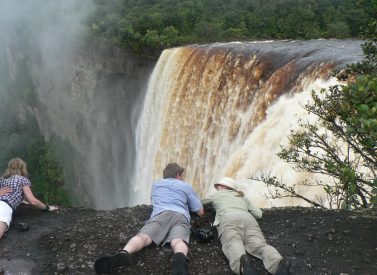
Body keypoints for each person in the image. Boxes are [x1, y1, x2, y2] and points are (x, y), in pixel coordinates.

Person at [94, 163, 204, 274]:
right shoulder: (186, 186)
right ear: (178, 175)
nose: (182, 178)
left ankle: (124, 253)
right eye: (182, 176)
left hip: (161, 213)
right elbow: (200, 212)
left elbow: (154, 202)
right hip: (180, 215)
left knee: (143, 237)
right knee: (178, 241)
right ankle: (179, 264)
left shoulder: (156, 185)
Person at [201, 177, 290, 275]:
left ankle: (243, 267)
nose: (217, 188)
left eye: (218, 186)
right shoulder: (242, 197)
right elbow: (258, 214)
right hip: (249, 219)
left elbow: (198, 204)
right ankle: (278, 264)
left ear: (223, 186)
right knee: (260, 245)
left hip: (229, 218)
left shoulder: (216, 195)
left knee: (233, 242)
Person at [0, 157, 59, 239]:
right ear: (22, 168)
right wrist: (48, 207)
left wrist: (21, 200)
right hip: (4, 208)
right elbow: (33, 201)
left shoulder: (2, 179)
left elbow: (10, 194)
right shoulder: (22, 179)